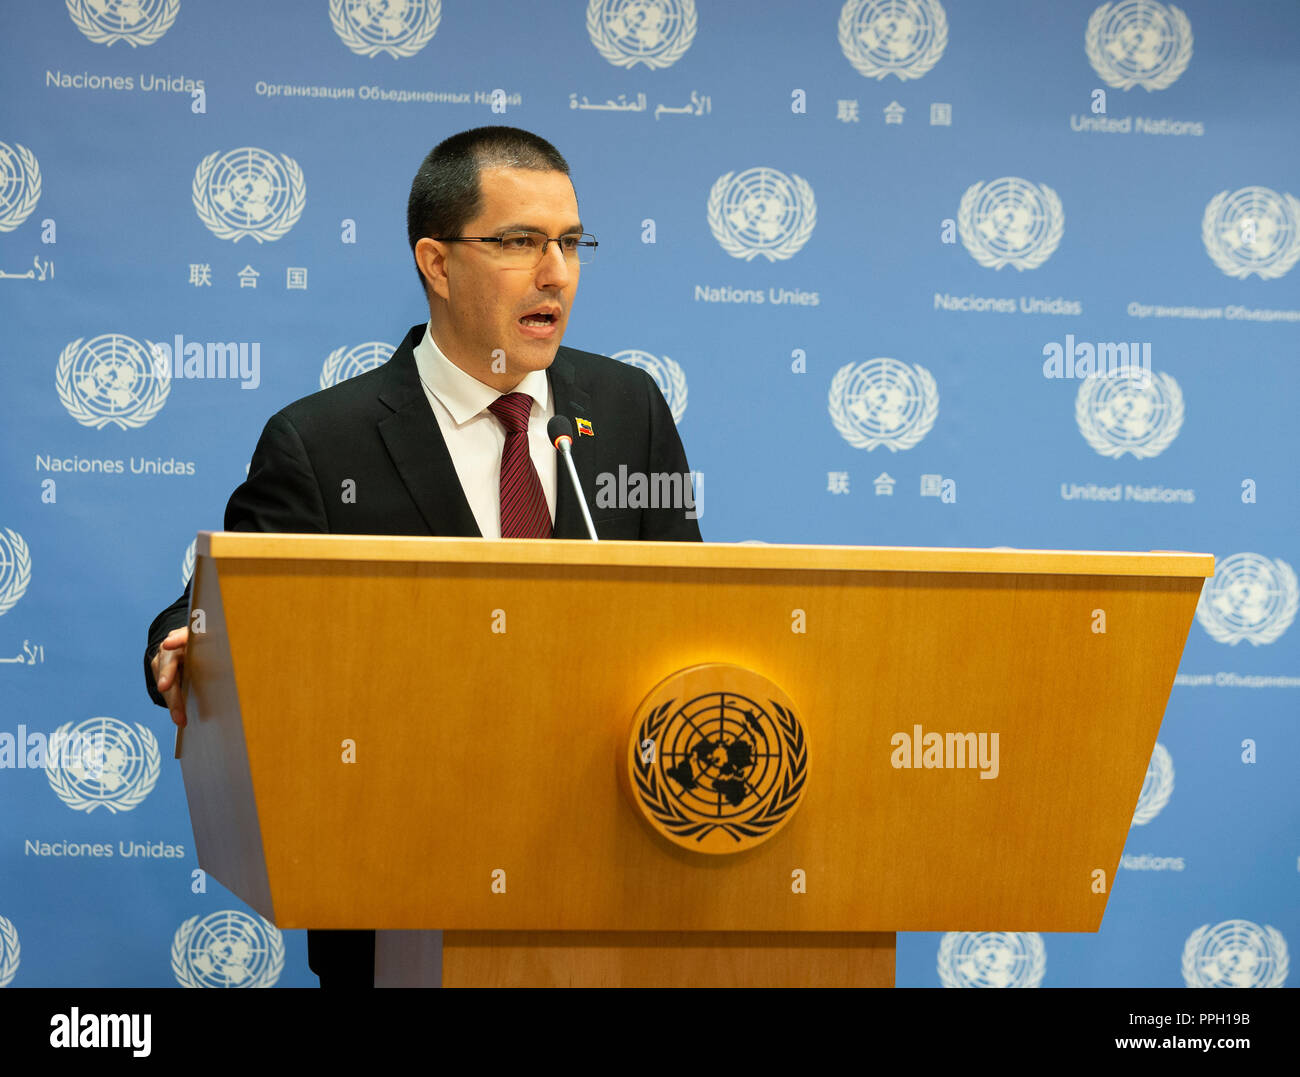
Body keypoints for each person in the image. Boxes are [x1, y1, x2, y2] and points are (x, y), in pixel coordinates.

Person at [144, 125, 702, 987]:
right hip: (400, 899)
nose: (556, 271)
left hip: (615, 890)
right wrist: (185, 643)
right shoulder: (323, 441)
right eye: (520, 242)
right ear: (436, 264)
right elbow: (221, 607)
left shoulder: (626, 408)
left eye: (570, 242)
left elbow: (691, 609)